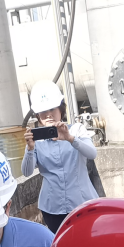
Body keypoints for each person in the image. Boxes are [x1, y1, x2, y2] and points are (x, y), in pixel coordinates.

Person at [21, 80, 99, 234]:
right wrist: (29, 149)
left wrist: (70, 139)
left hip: (82, 202)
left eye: (52, 108)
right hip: (52, 207)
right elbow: (26, 172)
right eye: (43, 111)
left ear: (61, 108)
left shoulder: (76, 130)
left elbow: (92, 153)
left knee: (86, 241)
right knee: (60, 244)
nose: (48, 114)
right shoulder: (36, 140)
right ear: (37, 115)